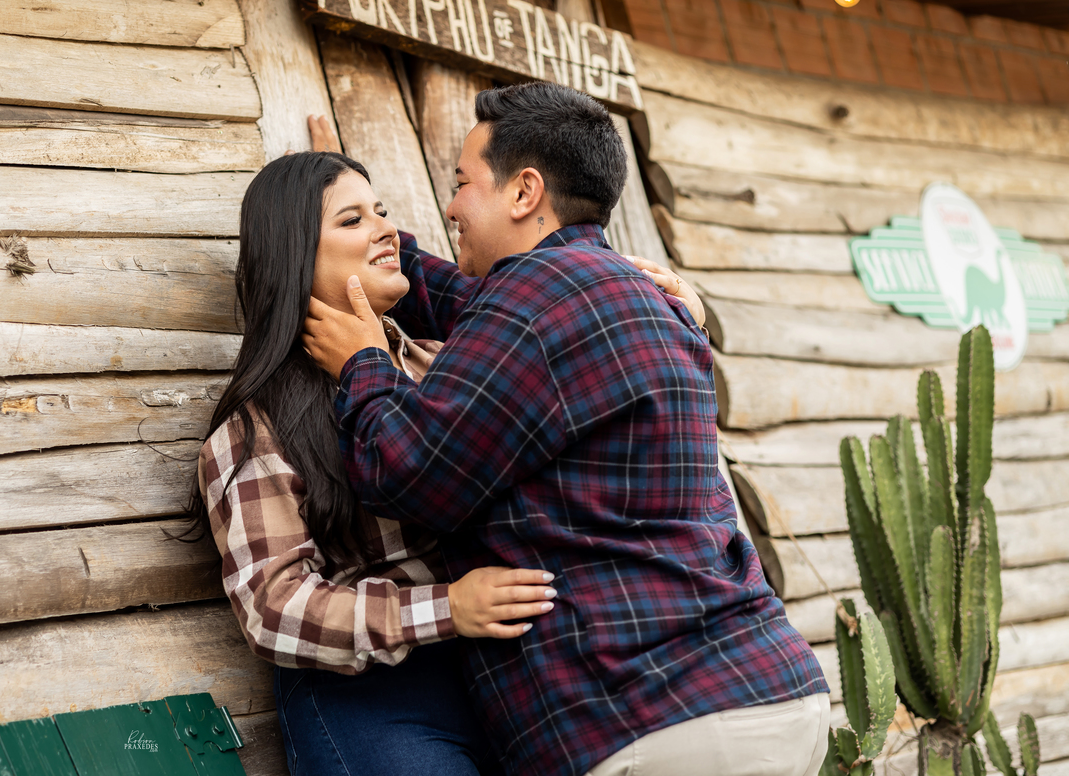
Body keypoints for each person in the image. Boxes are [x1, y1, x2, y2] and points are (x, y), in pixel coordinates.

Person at [303, 82, 831, 776]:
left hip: (651, 718)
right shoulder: (621, 293)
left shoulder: (530, 304)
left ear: (524, 192)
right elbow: (458, 301)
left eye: (462, 184)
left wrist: (364, 364)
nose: (452, 206)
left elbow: (402, 473)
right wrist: (363, 228)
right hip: (768, 690)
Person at [189, 145, 705, 775]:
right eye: (352, 220)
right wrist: (447, 608)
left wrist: (669, 315)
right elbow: (273, 606)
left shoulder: (448, 364)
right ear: (294, 255)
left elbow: (556, 318)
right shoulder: (255, 430)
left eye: (382, 211)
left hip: (520, 680)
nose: (385, 229)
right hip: (377, 698)